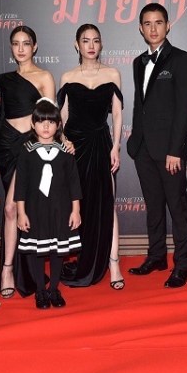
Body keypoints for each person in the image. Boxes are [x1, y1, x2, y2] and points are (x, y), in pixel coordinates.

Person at [0, 26, 56, 299]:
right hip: (7, 145)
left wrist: (54, 147)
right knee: (17, 211)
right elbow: (1, 117)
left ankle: (8, 269)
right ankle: (19, 269)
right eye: (16, 43)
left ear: (35, 47)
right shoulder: (5, 79)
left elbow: (51, 118)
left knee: (10, 207)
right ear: (11, 47)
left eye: (26, 43)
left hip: (31, 146)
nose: (21, 49)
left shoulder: (44, 77)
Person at [126, 3, 187, 288]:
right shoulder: (138, 62)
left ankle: (183, 263)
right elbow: (140, 104)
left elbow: (184, 109)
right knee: (153, 206)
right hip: (143, 148)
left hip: (169, 150)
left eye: (158, 22)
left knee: (177, 207)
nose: (153, 28)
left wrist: (175, 150)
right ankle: (156, 256)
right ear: (140, 28)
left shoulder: (182, 60)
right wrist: (135, 141)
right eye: (147, 23)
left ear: (168, 26)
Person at [58, 23, 125, 289]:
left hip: (101, 143)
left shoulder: (112, 73)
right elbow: (62, 115)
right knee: (80, 205)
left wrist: (115, 146)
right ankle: (86, 256)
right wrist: (63, 141)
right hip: (74, 147)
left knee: (107, 203)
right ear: (77, 45)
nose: (91, 45)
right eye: (85, 40)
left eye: (96, 40)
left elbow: (117, 113)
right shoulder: (67, 76)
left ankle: (114, 263)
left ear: (101, 44)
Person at [14, 99, 82, 309]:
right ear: (33, 124)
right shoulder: (26, 151)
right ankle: (40, 291)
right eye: (41, 121)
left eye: (51, 122)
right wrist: (21, 213)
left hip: (60, 209)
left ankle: (53, 289)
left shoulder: (66, 151)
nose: (46, 126)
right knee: (37, 250)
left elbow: (74, 182)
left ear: (58, 125)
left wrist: (76, 210)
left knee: (57, 251)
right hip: (35, 210)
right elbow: (21, 185)